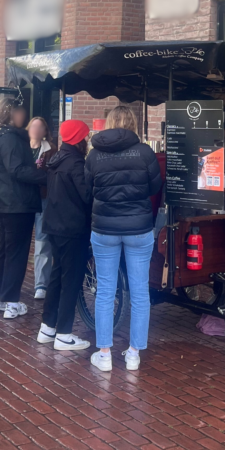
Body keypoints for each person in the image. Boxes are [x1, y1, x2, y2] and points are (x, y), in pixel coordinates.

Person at [85, 105, 162, 372]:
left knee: (106, 290)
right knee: (140, 291)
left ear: (109, 123)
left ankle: (104, 353)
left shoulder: (94, 155)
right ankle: (133, 354)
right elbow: (154, 186)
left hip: (104, 227)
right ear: (132, 123)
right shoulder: (144, 152)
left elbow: (88, 189)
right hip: (139, 227)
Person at [0, 98, 47, 320]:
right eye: (21, 112)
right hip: (15, 201)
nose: (24, 117)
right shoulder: (10, 137)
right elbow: (17, 169)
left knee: (5, 249)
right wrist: (48, 176)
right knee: (16, 251)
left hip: (0, 200)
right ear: (11, 113)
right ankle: (11, 302)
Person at [37, 120, 92, 351]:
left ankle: (48, 328)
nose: (88, 140)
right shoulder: (76, 163)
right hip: (72, 229)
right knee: (71, 281)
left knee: (56, 278)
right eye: (85, 137)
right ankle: (64, 334)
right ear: (79, 139)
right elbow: (87, 196)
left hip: (54, 227)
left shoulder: (57, 160)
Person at [27, 116, 56, 301]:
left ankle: (41, 283)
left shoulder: (51, 150)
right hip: (22, 199)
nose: (36, 129)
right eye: (33, 126)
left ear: (45, 131)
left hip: (43, 199)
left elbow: (51, 175)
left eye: (40, 127)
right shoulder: (20, 147)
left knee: (42, 242)